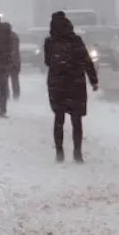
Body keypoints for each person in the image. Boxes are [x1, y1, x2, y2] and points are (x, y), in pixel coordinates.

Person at [44, 11, 99, 163]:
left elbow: (47, 62)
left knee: (58, 119)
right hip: (76, 82)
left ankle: (59, 152)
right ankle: (77, 152)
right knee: (76, 120)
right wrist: (93, 80)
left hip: (57, 83)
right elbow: (87, 61)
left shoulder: (50, 42)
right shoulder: (76, 40)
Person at [7, 23, 22, 101]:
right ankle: (16, 96)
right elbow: (15, 50)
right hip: (15, 62)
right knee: (14, 80)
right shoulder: (14, 36)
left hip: (7, 62)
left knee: (5, 80)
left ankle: (7, 95)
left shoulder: (3, 37)